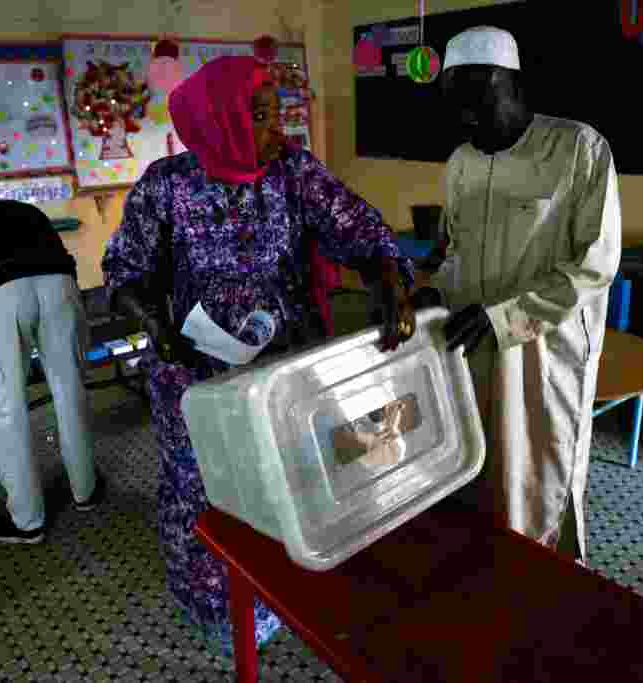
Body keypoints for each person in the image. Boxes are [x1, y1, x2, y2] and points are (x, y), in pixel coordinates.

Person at [101, 55, 416, 654]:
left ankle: (291, 592)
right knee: (207, 491)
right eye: (266, 118)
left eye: (279, 117)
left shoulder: (295, 173)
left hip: (284, 370)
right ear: (221, 122)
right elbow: (125, 270)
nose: (281, 133)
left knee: (292, 477)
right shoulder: (165, 186)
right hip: (196, 376)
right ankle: (219, 609)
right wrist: (157, 325)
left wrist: (388, 281)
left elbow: (360, 230)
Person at [413, 26, 622, 563]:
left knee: (538, 470)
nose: (467, 121)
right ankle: (486, 572)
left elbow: (594, 268)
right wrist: (434, 292)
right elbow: (457, 249)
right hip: (470, 342)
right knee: (476, 463)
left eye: (477, 104)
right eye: (457, 109)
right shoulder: (461, 160)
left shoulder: (578, 149)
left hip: (542, 350)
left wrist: (505, 319)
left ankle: (549, 574)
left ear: (507, 83)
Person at [0, 197, 102, 544]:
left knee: (8, 409)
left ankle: (27, 520)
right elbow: (65, 260)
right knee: (70, 390)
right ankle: (86, 490)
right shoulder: (25, 210)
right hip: (59, 286)